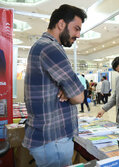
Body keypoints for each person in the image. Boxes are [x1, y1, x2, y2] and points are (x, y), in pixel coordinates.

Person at [23, 4, 87, 167]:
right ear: (61, 24)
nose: (78, 35)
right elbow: (79, 97)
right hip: (53, 139)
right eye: (76, 28)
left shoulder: (41, 45)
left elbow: (73, 92)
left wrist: (68, 90)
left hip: (48, 139)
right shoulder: (51, 48)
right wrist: (71, 91)